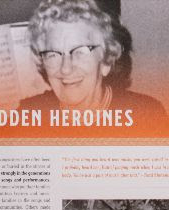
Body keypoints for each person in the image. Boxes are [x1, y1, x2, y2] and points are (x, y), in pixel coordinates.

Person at [20, 0, 169, 134]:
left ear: (106, 61)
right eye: (53, 54)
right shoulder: (27, 114)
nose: (65, 68)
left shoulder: (146, 116)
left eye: (80, 51)